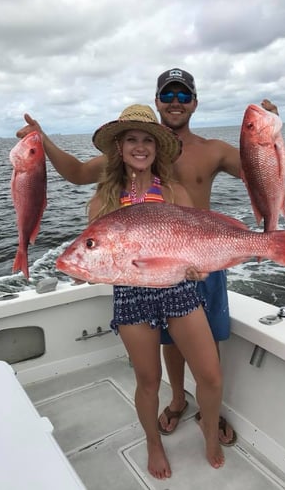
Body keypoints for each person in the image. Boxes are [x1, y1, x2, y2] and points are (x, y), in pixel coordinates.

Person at [16, 67, 278, 446]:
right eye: (168, 96)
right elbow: (74, 172)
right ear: (157, 103)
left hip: (203, 257)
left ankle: (208, 411)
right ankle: (176, 400)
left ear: (194, 102)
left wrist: (268, 135)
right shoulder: (116, 169)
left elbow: (259, 174)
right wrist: (40, 136)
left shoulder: (214, 150)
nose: (175, 102)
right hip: (141, 275)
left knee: (210, 343)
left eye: (183, 96)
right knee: (168, 348)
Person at [87, 103, 224, 479]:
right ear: (119, 147)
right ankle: (152, 441)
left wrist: (197, 269)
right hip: (132, 296)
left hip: (178, 289)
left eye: (148, 139)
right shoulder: (102, 201)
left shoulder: (176, 192)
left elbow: (195, 242)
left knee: (210, 375)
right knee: (148, 381)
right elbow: (96, 254)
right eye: (131, 139)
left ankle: (208, 431)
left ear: (158, 148)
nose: (140, 146)